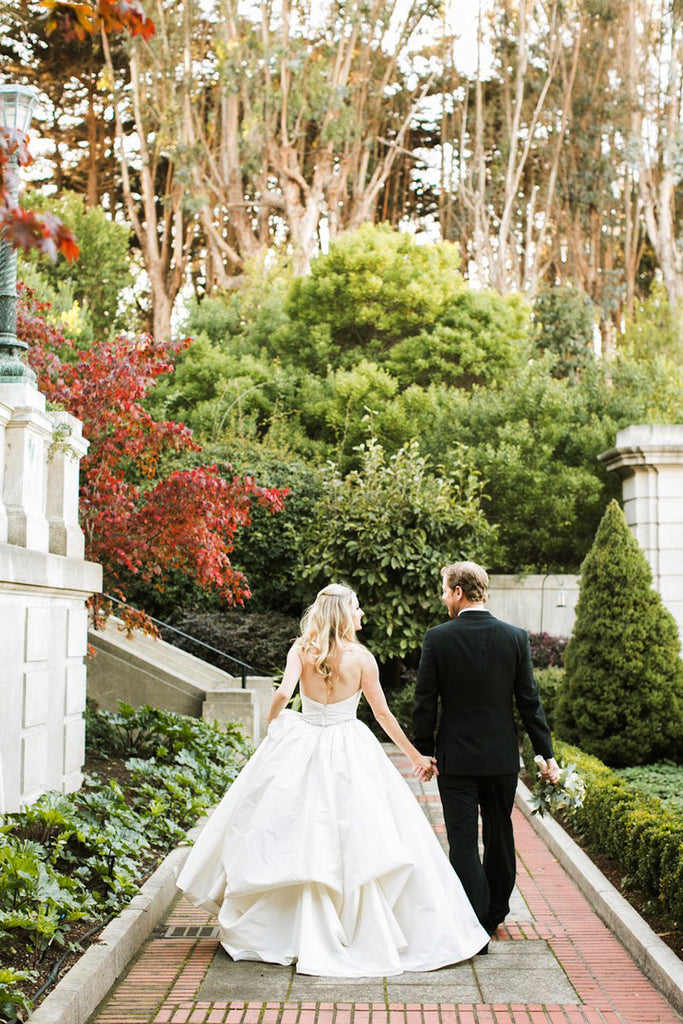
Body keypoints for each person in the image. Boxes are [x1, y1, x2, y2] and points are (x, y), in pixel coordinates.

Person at [177, 583, 489, 977]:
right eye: (357, 608)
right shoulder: (362, 658)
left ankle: (289, 926)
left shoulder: (301, 649)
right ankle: (357, 925)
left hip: (304, 738)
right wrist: (415, 756)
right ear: (344, 613)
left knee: (297, 829)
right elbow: (383, 716)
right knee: (357, 831)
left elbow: (283, 693)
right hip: (348, 744)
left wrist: (274, 722)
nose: (362, 615)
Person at [412, 561, 560, 948]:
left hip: (455, 760)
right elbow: (529, 701)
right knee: (500, 833)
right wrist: (547, 755)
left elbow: (425, 701)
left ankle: (474, 918)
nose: (443, 597)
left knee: (461, 840)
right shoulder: (514, 637)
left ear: (459, 592)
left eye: (445, 590)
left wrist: (424, 751)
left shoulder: (437, 638)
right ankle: (495, 911)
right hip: (500, 759)